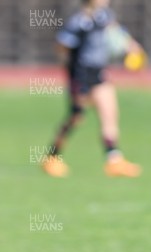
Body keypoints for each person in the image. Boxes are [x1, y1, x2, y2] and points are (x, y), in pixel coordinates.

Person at [42, 0, 142, 178]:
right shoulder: (79, 22)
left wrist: (131, 46)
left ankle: (114, 160)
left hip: (99, 72)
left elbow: (117, 31)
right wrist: (71, 70)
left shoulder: (105, 15)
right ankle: (52, 157)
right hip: (80, 75)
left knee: (109, 113)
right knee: (76, 117)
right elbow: (61, 45)